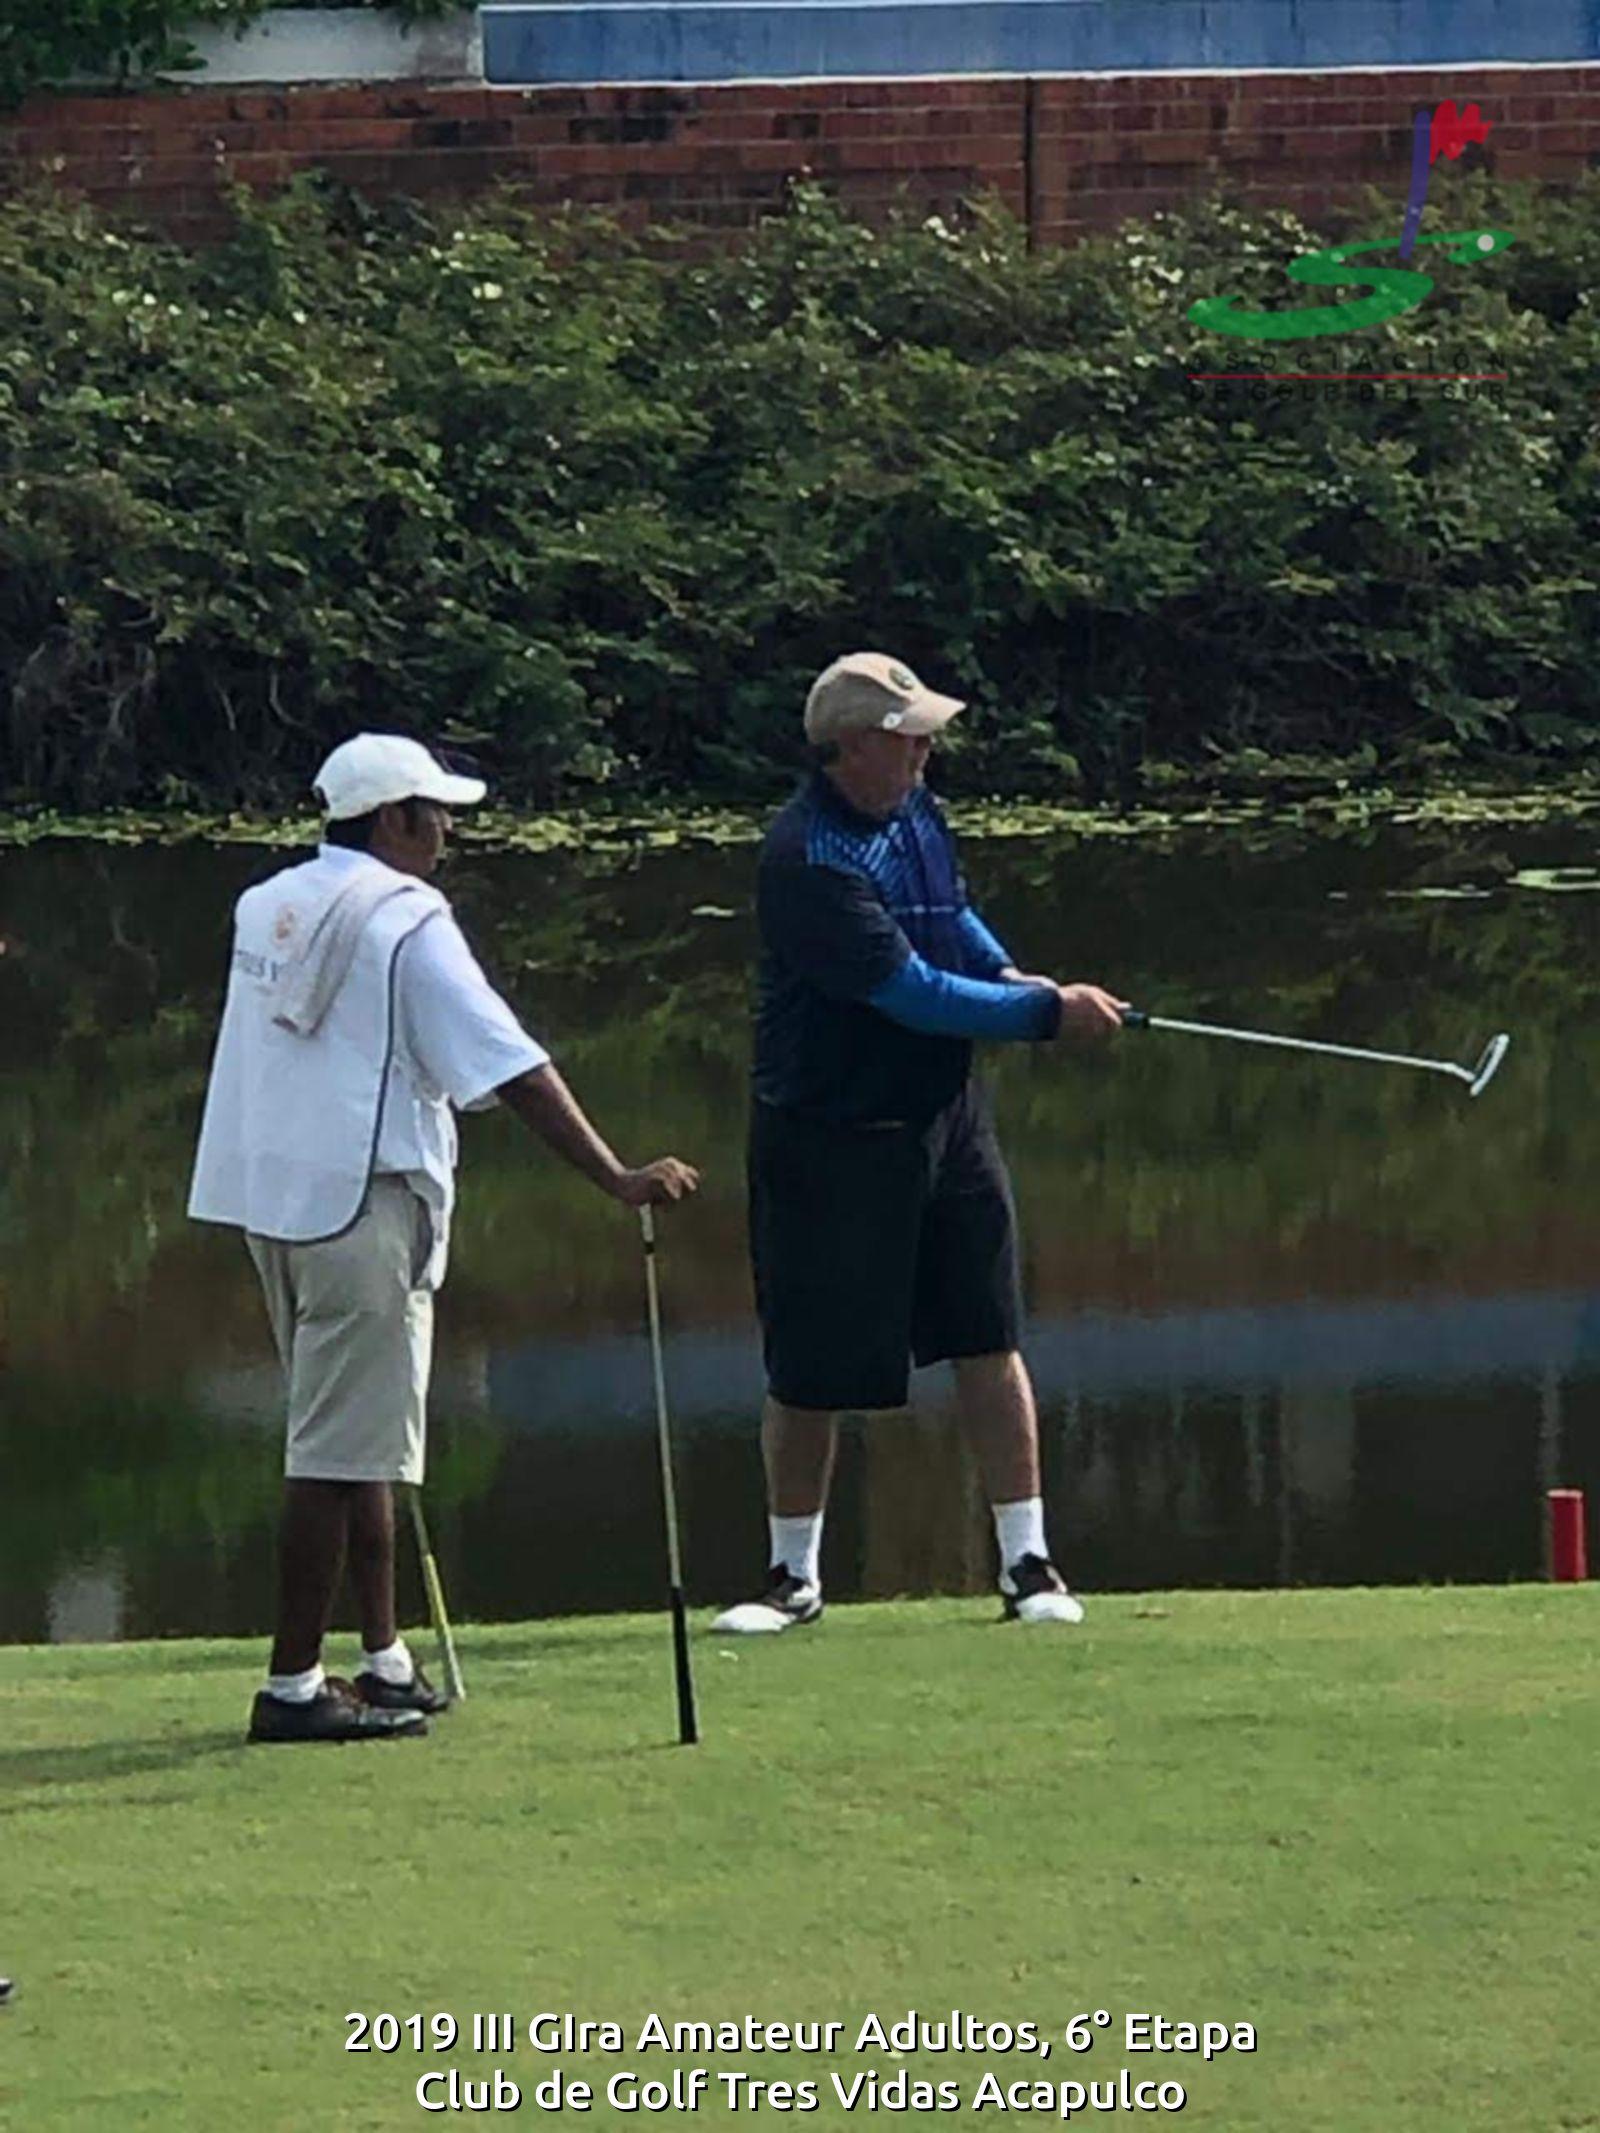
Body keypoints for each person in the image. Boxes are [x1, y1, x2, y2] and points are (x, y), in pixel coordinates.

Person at [190, 734, 699, 1742]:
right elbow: (511, 1064)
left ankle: (383, 1659)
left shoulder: (268, 902)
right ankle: (292, 1687)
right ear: (394, 820)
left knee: (359, 1436)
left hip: (275, 1204)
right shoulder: (408, 919)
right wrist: (614, 1176)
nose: (447, 833)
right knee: (333, 1452)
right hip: (363, 1206)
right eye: (435, 814)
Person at [714, 654, 1125, 1635]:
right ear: (854, 745)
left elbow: (950, 919)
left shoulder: (914, 812)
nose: (926, 751)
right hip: (830, 1129)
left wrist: (1012, 976)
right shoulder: (809, 858)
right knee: (810, 1364)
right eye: (910, 738)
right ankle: (791, 1577)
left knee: (987, 1333)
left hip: (945, 1116)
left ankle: (1026, 1562)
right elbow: (911, 993)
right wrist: (1043, 1016)